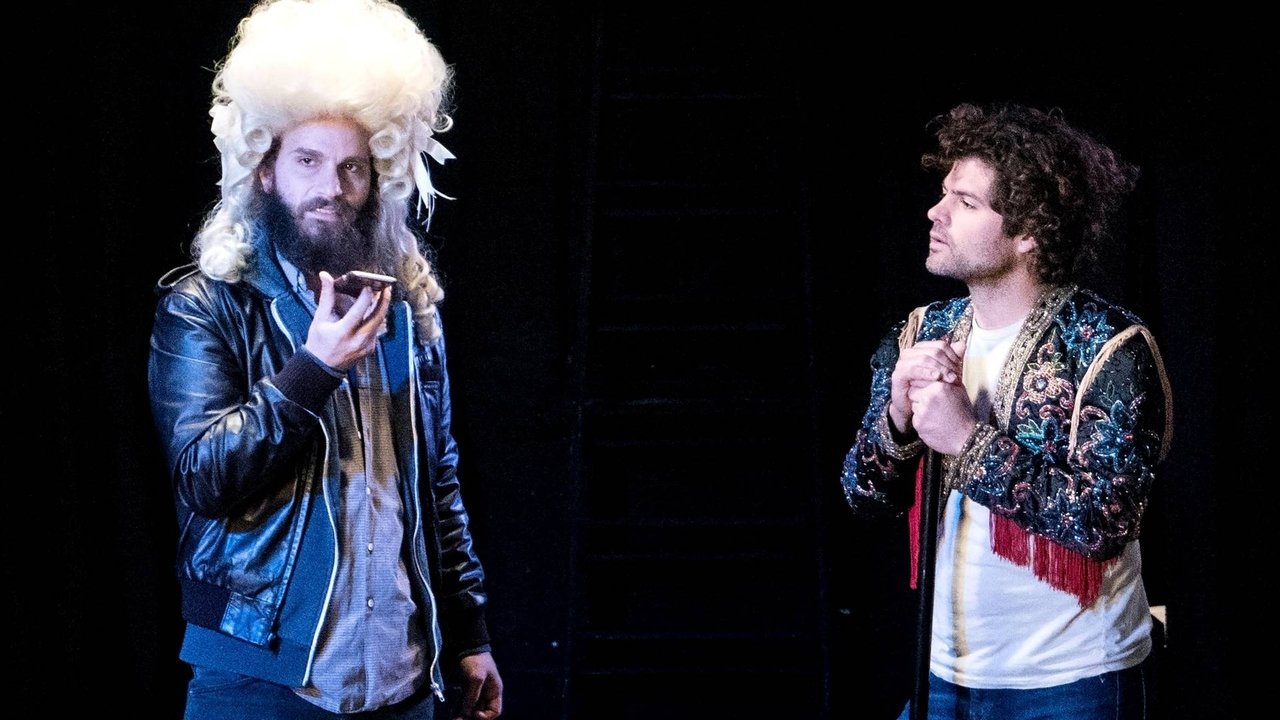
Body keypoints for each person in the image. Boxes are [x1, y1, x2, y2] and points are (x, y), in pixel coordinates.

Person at [147, 1, 503, 718]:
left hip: (402, 680)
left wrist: (469, 635)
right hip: (260, 681)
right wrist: (312, 369)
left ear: (376, 180)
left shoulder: (407, 312)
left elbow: (438, 485)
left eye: (352, 168)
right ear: (266, 169)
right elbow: (204, 479)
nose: (330, 190)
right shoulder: (205, 305)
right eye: (307, 161)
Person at [839, 102, 1173, 719]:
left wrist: (967, 440)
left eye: (965, 203)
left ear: (1028, 232)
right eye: (944, 194)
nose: (935, 212)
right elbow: (862, 497)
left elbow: (1104, 524)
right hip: (945, 676)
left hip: (1076, 682)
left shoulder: (1109, 349)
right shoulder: (922, 333)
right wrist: (896, 419)